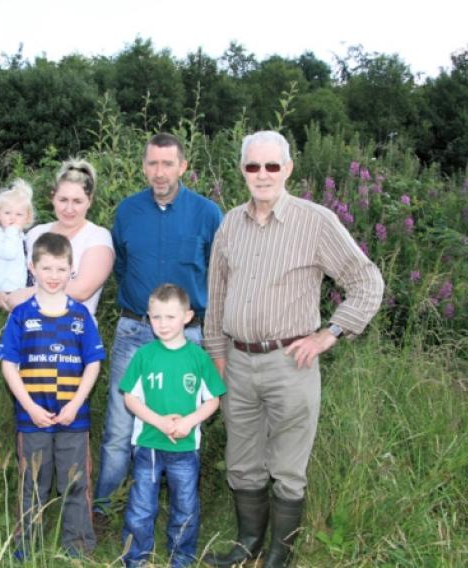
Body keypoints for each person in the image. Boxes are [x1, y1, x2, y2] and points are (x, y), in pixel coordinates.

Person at [203, 131, 383, 568]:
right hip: (237, 362)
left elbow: (367, 281)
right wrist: (217, 357)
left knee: (287, 467)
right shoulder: (230, 223)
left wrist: (329, 334)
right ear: (242, 170)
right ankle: (248, 544)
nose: (261, 175)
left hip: (291, 364)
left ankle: (279, 555)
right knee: (242, 462)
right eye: (252, 166)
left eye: (271, 166)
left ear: (288, 169)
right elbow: (217, 294)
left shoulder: (316, 221)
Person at [93, 133, 223, 523]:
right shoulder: (128, 211)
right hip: (135, 330)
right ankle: (103, 509)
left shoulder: (207, 213)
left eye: (168, 163)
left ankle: (180, 510)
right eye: (152, 163)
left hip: (190, 336)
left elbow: (219, 275)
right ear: (143, 166)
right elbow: (120, 266)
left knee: (184, 422)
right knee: (119, 426)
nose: (160, 172)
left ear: (183, 166)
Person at [0, 232, 106, 560]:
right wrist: (28, 406)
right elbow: (8, 365)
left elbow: (94, 363)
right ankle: (26, 545)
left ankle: (78, 547)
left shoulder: (80, 316)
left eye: (61, 269)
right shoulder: (21, 315)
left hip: (73, 419)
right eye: (47, 269)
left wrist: (75, 404)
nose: (54, 276)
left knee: (75, 485)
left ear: (72, 270)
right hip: (32, 419)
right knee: (33, 485)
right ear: (33, 268)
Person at [119, 284, 226, 568]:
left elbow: (213, 399)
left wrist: (189, 421)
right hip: (148, 445)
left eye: (170, 317)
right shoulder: (144, 356)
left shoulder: (198, 357)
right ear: (148, 317)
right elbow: (130, 398)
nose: (163, 324)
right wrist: (160, 422)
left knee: (185, 507)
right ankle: (136, 558)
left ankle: (181, 558)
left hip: (186, 447)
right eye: (156, 317)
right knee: (142, 507)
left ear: (187, 317)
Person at [0, 158, 114, 316]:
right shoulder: (34, 233)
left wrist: (27, 293)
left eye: (77, 201)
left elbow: (81, 290)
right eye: (63, 200)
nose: (69, 209)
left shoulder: (98, 237)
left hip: (71, 334)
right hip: (24, 332)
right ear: (52, 197)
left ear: (89, 201)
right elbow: (7, 265)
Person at [0, 178, 34, 292]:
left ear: (27, 218)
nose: (13, 218)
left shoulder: (18, 235)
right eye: (7, 213)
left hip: (18, 286)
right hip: (6, 287)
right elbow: (9, 253)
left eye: (19, 214)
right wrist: (12, 231)